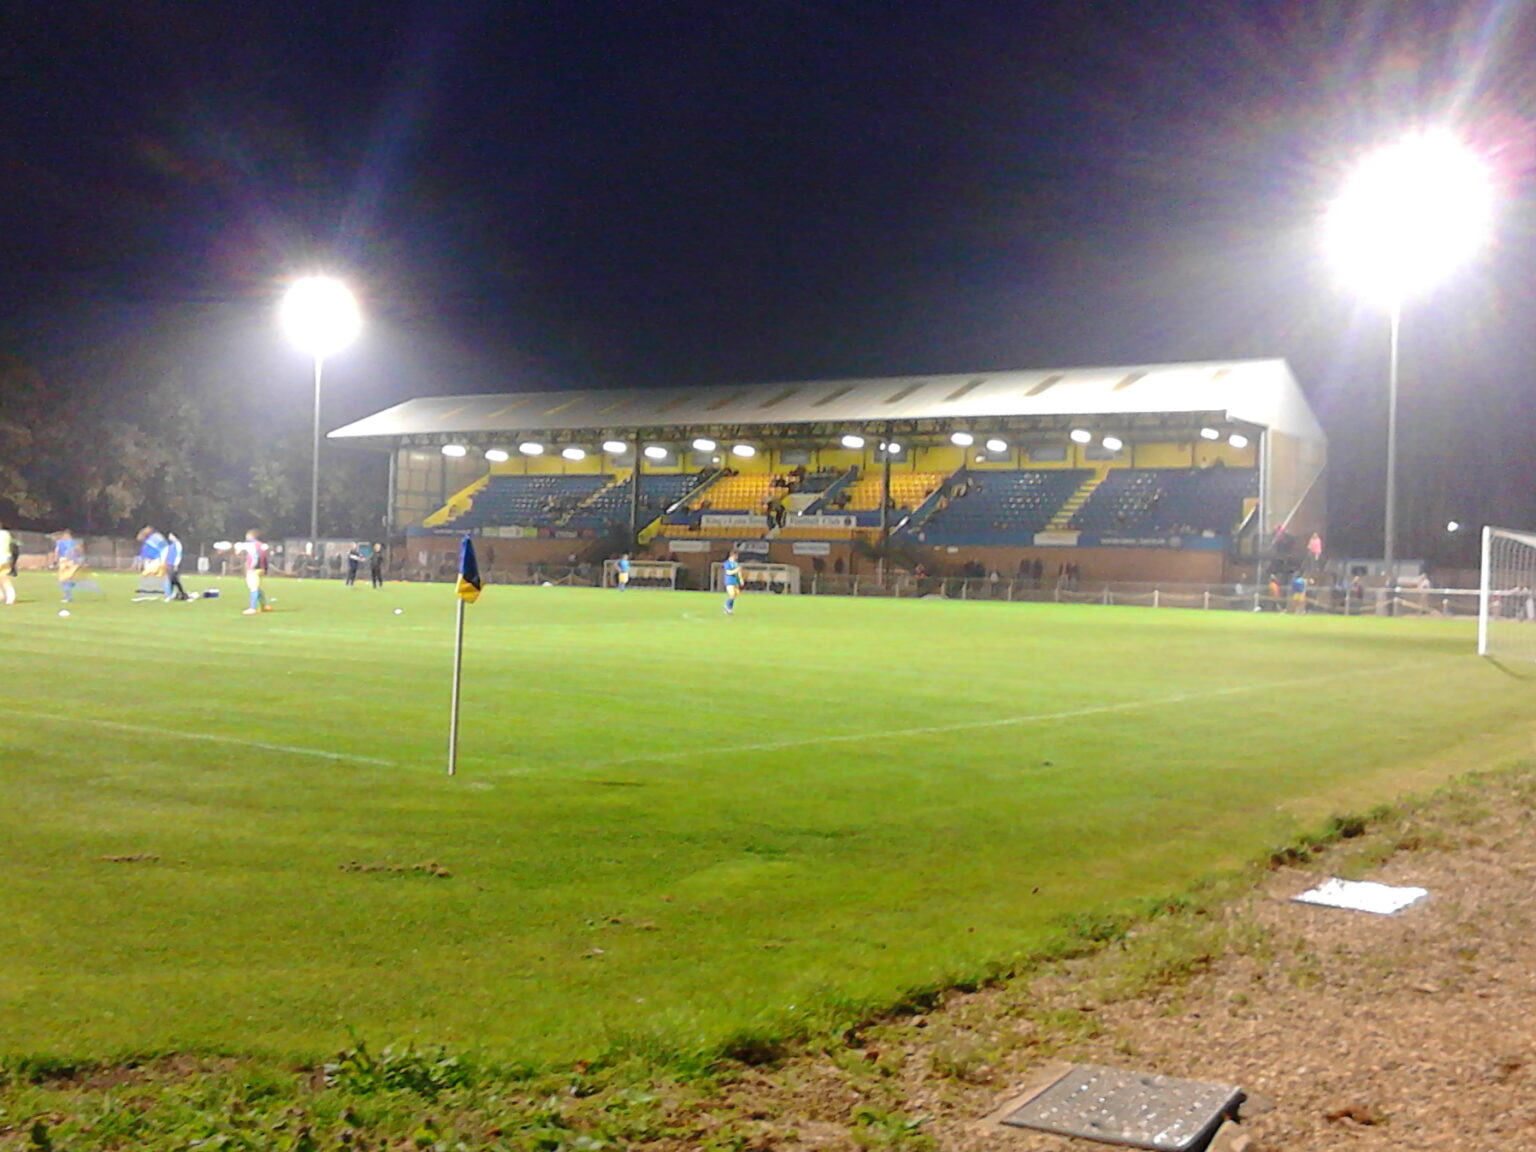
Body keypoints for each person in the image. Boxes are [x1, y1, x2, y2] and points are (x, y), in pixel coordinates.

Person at [236, 529, 272, 615]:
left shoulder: (250, 545)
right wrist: (266, 569)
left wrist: (252, 566)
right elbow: (265, 558)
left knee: (253, 588)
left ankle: (252, 608)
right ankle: (265, 605)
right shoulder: (263, 545)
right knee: (257, 587)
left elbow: (254, 555)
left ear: (249, 536)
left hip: (254, 569)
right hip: (261, 569)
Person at [54, 530, 83, 602]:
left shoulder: (60, 542)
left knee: (63, 580)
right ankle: (69, 593)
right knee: (67, 579)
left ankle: (68, 597)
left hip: (64, 561)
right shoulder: (72, 542)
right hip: (70, 561)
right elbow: (79, 549)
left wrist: (55, 560)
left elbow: (57, 551)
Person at [163, 532, 190, 601]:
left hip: (173, 565)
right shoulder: (171, 545)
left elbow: (178, 555)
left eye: (171, 536)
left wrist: (176, 565)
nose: (169, 537)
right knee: (173, 580)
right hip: (169, 564)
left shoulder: (178, 544)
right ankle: (177, 594)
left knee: (173, 580)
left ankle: (173, 595)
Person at [722, 547, 742, 614]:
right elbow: (728, 572)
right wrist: (736, 570)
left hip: (735, 581)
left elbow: (739, 572)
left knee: (736, 594)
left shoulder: (735, 564)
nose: (737, 557)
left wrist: (740, 579)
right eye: (736, 555)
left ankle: (729, 608)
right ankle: (726, 606)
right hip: (729, 580)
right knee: (732, 594)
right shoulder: (727, 563)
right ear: (733, 555)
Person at [0, 521, 14, 605]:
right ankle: (10, 598)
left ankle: (1, 595)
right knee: (5, 579)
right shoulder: (6, 534)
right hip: (6, 558)